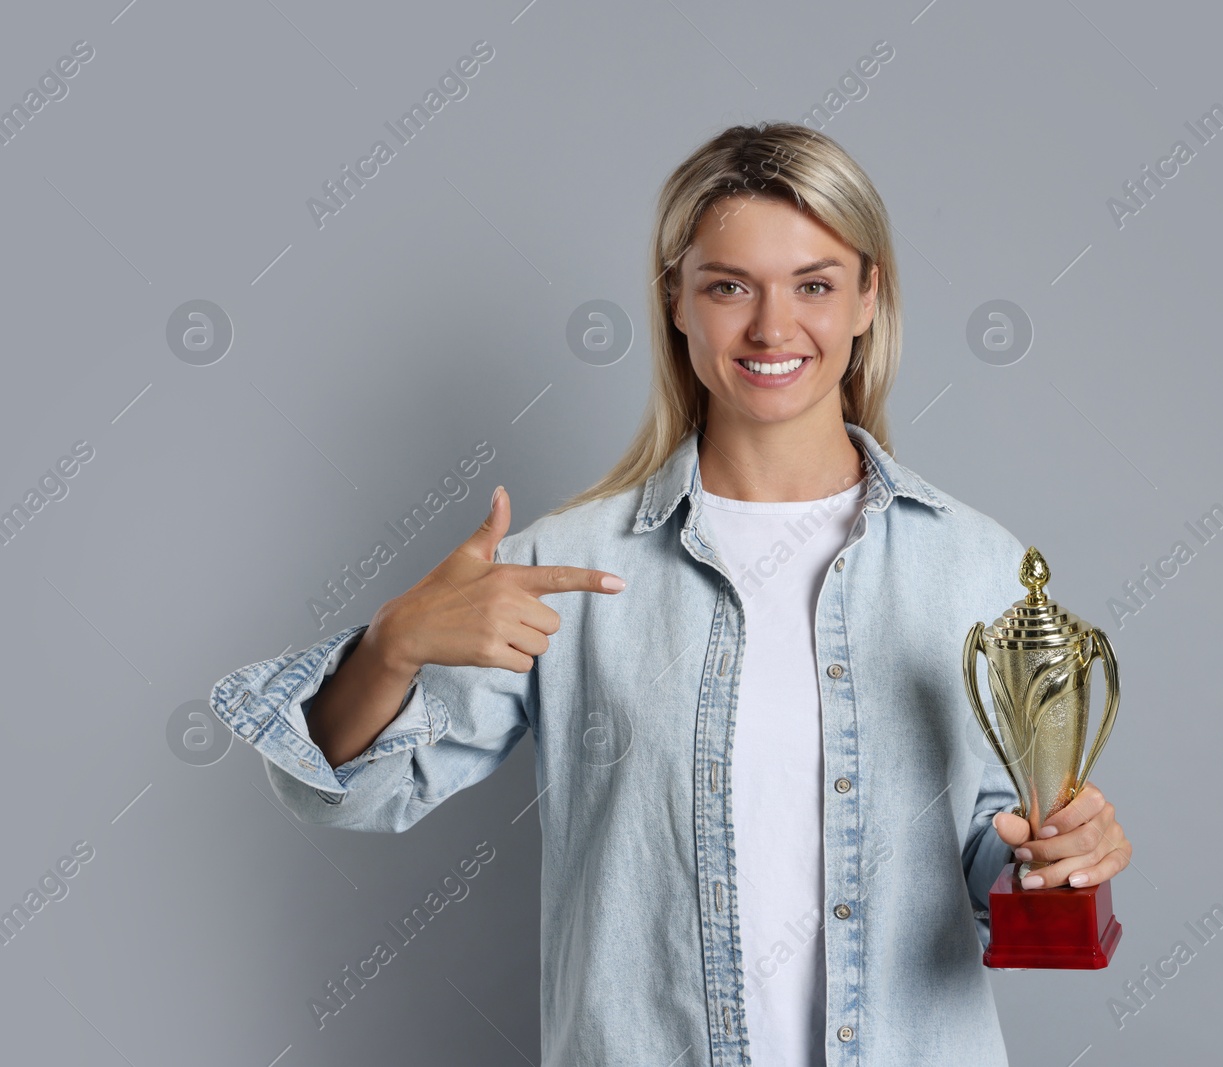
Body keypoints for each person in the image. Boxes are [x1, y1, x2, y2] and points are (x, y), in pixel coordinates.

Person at [210, 121, 1131, 1066]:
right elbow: (342, 793)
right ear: (677, 303)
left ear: (867, 297)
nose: (773, 328)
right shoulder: (569, 569)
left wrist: (1055, 854)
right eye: (730, 286)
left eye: (814, 284)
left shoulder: (974, 563)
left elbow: (985, 868)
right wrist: (391, 646)